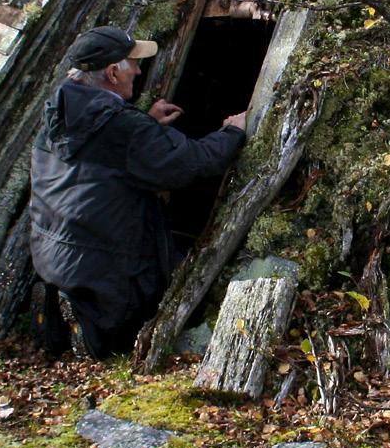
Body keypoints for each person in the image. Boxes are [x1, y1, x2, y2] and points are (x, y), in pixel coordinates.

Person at [29, 25, 247, 358]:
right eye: (133, 63)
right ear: (113, 72)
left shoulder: (60, 112)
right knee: (175, 269)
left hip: (56, 252)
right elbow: (189, 165)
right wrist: (231, 132)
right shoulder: (124, 128)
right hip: (106, 265)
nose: (140, 70)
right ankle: (93, 335)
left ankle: (65, 315)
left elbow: (102, 158)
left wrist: (145, 125)